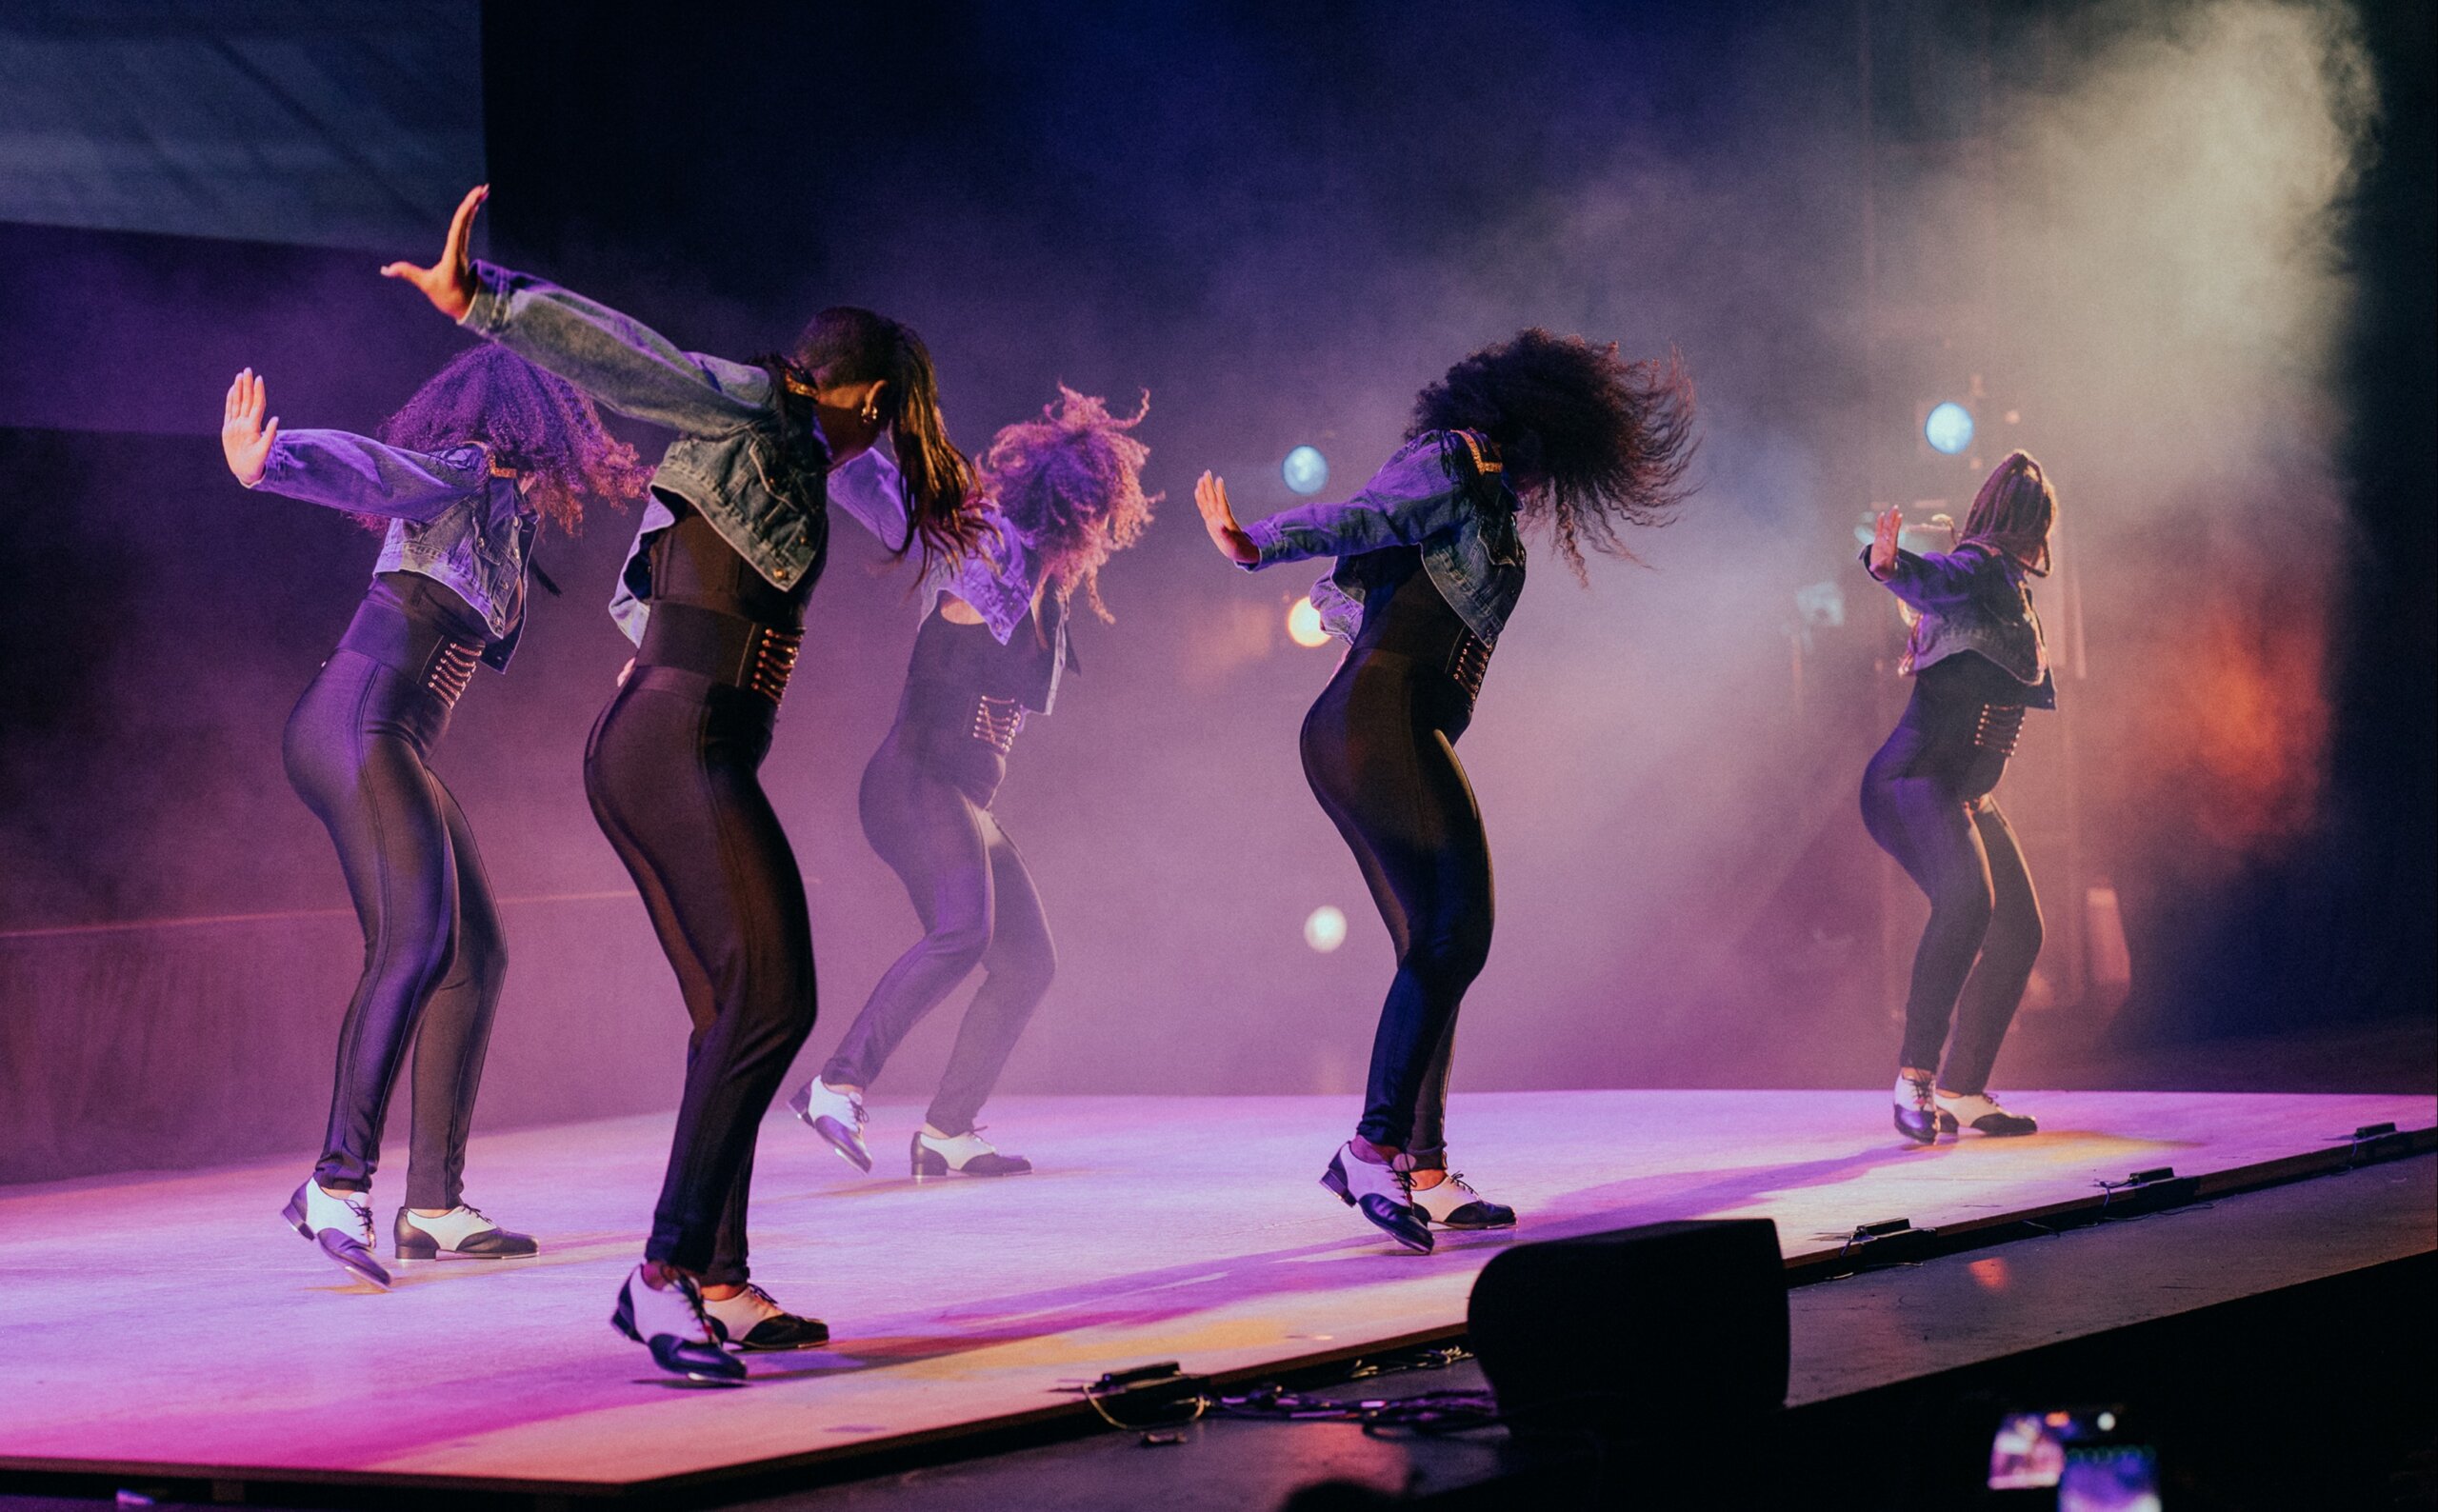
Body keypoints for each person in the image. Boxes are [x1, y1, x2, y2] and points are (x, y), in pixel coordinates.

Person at [384, 186, 980, 1378]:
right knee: (777, 998)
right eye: (896, 413)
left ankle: (718, 1272)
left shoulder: (802, 455)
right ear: (864, 393)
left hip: (669, 739)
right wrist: (485, 300)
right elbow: (636, 360)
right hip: (675, 744)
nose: (895, 434)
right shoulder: (760, 404)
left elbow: (738, 530)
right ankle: (660, 1276)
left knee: (733, 1011)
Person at [1193, 330, 1695, 1252]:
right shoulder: (1453, 459)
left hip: (1378, 725)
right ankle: (1371, 1149)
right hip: (1376, 719)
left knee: (1435, 946)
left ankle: (1423, 1167)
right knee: (1459, 932)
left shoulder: (1489, 497)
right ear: (1544, 422)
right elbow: (1362, 515)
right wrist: (1256, 543)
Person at [221, 351, 647, 1289]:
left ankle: (434, 1206)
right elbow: (379, 468)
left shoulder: (508, 512)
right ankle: (336, 1182)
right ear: (531, 417)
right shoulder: (463, 467)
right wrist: (272, 462)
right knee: (414, 945)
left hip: (392, 733)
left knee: (476, 953)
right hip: (358, 721)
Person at [789, 388, 1156, 1180]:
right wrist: (828, 426)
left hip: (962, 801)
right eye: (1089, 509)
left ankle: (948, 1131)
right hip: (912, 780)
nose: (1093, 527)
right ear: (1071, 507)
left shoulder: (1046, 593)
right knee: (965, 933)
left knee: (1028, 961)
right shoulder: (986, 545)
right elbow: (887, 496)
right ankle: (837, 1082)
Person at [1861, 451, 2058, 1144]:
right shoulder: (1979, 566)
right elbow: (1938, 580)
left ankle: (1964, 1087)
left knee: (2019, 928)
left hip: (1961, 792)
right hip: (1911, 781)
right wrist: (1891, 567)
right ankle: (1913, 1081)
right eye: (2039, 521)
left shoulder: (2004, 582)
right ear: (2025, 522)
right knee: (1969, 903)